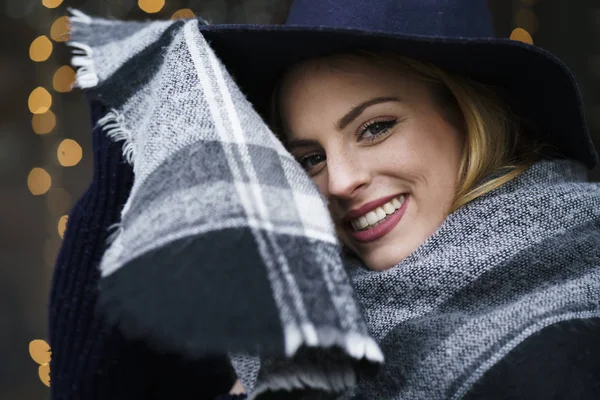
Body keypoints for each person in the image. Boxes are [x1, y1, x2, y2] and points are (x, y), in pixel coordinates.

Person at [50, 0, 600, 399]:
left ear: (470, 117)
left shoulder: (566, 336)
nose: (338, 182)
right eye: (310, 158)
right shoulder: (290, 324)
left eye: (375, 127)